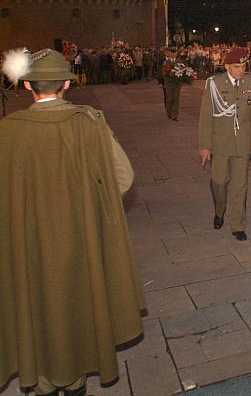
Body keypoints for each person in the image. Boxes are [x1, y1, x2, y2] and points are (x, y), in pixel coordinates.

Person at [0, 49, 145, 396]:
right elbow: (123, 177)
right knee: (79, 303)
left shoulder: (8, 131)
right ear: (68, 82)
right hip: (80, 239)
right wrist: (91, 206)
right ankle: (76, 379)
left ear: (27, 86)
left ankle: (45, 379)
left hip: (28, 242)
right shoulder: (89, 122)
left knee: (35, 305)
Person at [198, 48, 251, 241]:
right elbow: (205, 117)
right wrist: (204, 146)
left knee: (240, 186)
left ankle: (238, 225)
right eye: (237, 67)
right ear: (226, 66)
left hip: (242, 144)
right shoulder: (214, 84)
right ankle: (219, 210)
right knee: (219, 181)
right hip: (220, 143)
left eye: (243, 66)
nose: (241, 70)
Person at [160, 47, 182, 121]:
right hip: (169, 83)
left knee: (176, 99)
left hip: (177, 84)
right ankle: (169, 112)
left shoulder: (179, 62)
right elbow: (163, 73)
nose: (173, 54)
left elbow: (183, 71)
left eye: (175, 52)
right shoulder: (166, 62)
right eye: (172, 53)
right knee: (169, 99)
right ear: (170, 53)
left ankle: (175, 115)